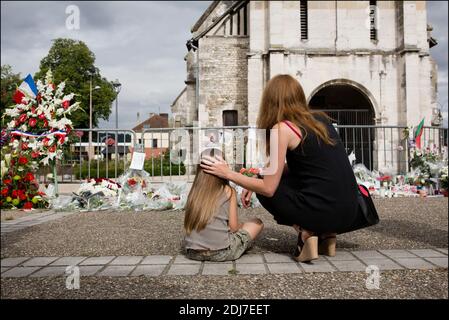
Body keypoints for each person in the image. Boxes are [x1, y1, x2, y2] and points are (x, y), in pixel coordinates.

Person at [201, 74, 365, 263]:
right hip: (350, 211)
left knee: (264, 191)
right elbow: (311, 165)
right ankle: (327, 236)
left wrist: (228, 173)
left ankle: (306, 233)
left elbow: (268, 188)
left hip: (324, 211)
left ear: (270, 101)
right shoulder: (320, 119)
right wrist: (259, 174)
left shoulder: (283, 128)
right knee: (274, 180)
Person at [184, 149, 264, 262]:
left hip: (192, 252)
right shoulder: (228, 191)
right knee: (257, 223)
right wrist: (242, 225)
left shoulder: (193, 192)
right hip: (221, 252)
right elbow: (234, 228)